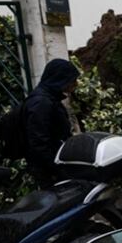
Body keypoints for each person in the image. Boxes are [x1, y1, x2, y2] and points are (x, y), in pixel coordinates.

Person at [21, 59, 80, 187]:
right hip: (48, 172)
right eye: (72, 80)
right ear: (60, 79)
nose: (75, 84)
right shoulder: (41, 103)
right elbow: (39, 142)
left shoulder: (50, 98)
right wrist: (57, 169)